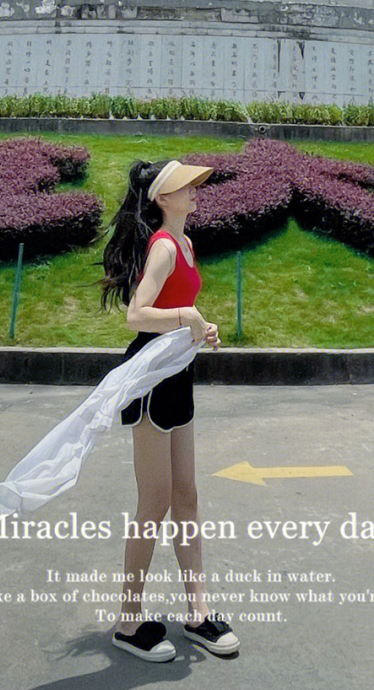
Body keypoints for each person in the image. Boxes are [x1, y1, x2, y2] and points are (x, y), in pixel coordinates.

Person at [100, 159, 241, 662]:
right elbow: (137, 315)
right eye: (185, 186)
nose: (195, 191)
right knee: (154, 503)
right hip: (151, 380)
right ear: (163, 197)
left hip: (178, 372)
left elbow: (180, 309)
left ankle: (198, 614)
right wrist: (185, 316)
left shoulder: (184, 244)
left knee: (187, 495)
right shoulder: (162, 245)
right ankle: (128, 620)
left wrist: (201, 330)